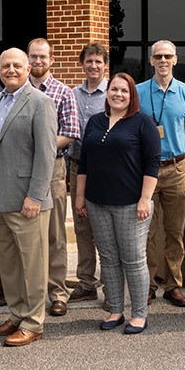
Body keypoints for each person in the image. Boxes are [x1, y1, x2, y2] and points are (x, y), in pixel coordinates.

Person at [0, 48, 58, 347]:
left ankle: (34, 322)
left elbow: (46, 153)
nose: (10, 70)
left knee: (32, 265)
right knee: (10, 264)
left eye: (17, 65)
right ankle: (16, 314)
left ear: (28, 69)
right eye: (5, 65)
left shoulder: (41, 102)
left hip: (28, 201)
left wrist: (36, 196)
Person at [75, 73, 160, 333]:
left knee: (133, 260)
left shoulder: (143, 123)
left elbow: (152, 163)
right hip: (97, 202)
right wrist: (80, 196)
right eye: (114, 89)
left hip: (131, 204)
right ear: (107, 92)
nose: (118, 94)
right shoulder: (95, 121)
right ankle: (115, 310)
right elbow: (84, 162)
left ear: (132, 95)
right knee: (109, 259)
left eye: (124, 90)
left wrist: (145, 198)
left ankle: (140, 314)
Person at [136, 39, 185, 307]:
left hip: (177, 168)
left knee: (174, 231)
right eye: (158, 56)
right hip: (146, 171)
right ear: (151, 60)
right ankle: (148, 285)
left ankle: (173, 285)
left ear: (175, 59)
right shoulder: (138, 92)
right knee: (147, 232)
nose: (163, 60)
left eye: (168, 56)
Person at [22, 38, 80, 317]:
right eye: (33, 57)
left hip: (54, 168)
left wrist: (39, 147)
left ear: (51, 60)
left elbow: (70, 132)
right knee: (26, 233)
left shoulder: (63, 92)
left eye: (42, 57)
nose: (37, 62)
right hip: (20, 170)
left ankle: (57, 293)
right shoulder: (17, 91)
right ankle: (27, 292)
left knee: (55, 234)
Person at [65, 43, 108, 304]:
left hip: (105, 168)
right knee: (81, 225)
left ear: (105, 65)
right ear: (82, 64)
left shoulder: (113, 93)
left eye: (98, 62)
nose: (93, 66)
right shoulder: (72, 94)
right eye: (89, 61)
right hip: (77, 164)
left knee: (104, 228)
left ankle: (110, 286)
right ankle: (87, 283)